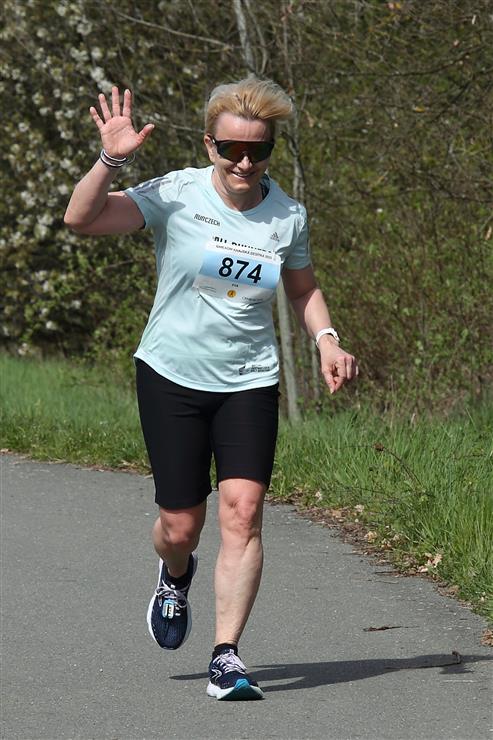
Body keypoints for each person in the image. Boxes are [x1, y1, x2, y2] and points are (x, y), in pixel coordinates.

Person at [64, 79, 358, 701]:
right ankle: (175, 574)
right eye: (232, 149)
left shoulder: (288, 215)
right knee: (180, 526)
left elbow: (303, 287)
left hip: (250, 379)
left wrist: (327, 340)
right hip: (171, 375)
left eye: (259, 150)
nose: (245, 163)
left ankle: (226, 655)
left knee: (243, 513)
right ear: (210, 145)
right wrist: (111, 159)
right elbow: (81, 219)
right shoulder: (176, 193)